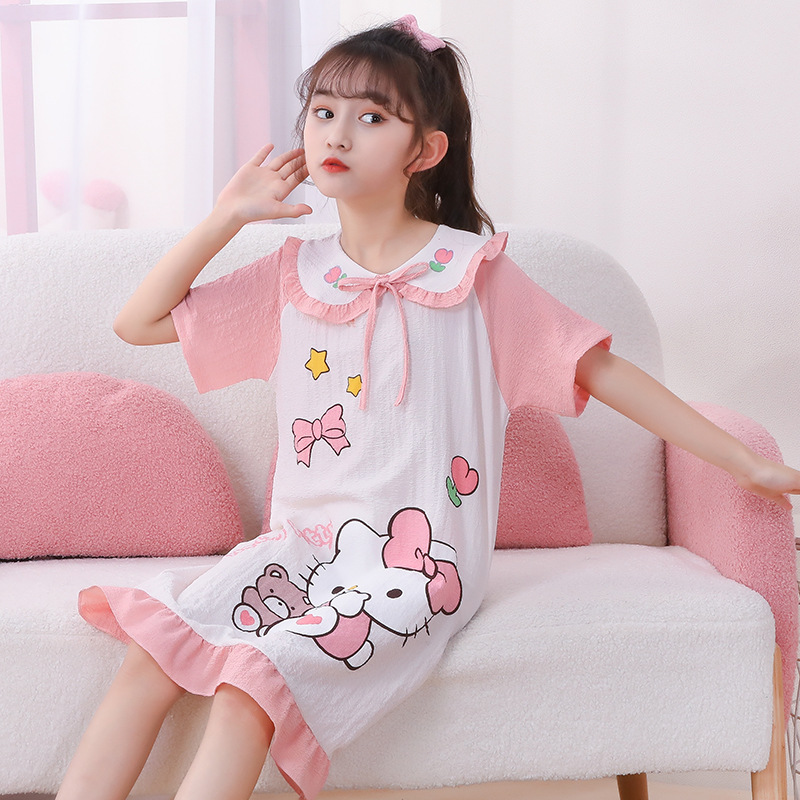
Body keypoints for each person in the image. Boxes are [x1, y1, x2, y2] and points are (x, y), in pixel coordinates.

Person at [57, 14, 800, 800]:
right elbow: (137, 323)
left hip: (418, 568)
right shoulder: (293, 276)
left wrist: (743, 462)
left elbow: (605, 371)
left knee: (251, 683)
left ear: (426, 150)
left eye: (372, 117)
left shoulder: (476, 275)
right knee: (154, 652)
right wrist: (224, 217)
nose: (337, 132)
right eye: (323, 111)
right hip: (300, 550)